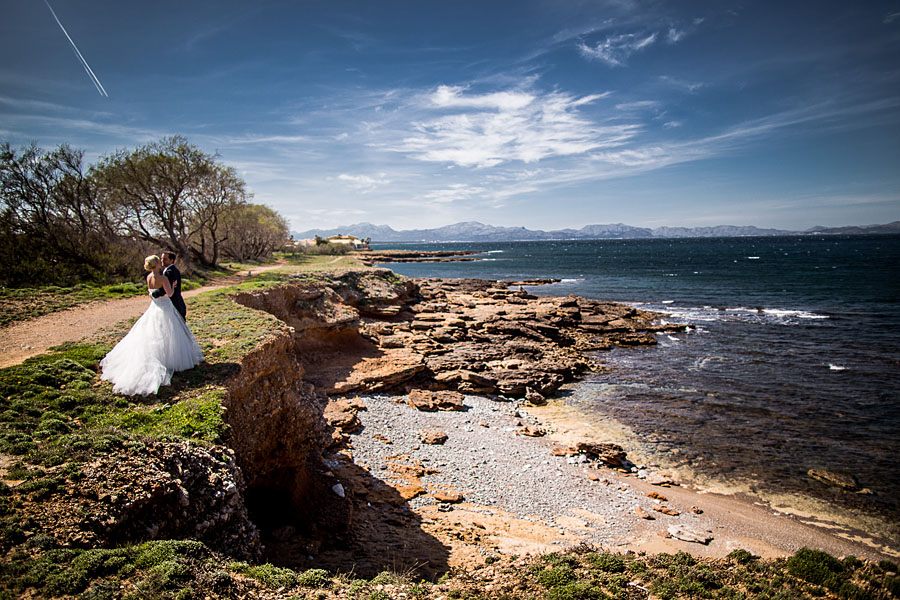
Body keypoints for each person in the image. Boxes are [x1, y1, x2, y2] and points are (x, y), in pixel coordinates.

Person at [100, 255, 204, 396]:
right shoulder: (163, 278)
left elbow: (151, 294)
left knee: (153, 334)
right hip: (166, 308)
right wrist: (172, 286)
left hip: (154, 308)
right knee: (170, 332)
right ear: (157, 265)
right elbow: (170, 293)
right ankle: (169, 359)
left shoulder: (149, 277)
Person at [157, 251, 186, 321]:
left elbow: (166, 289)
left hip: (174, 303)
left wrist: (154, 293)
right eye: (161, 258)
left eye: (165, 259)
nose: (162, 261)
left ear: (171, 260)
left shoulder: (170, 272)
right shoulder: (170, 270)